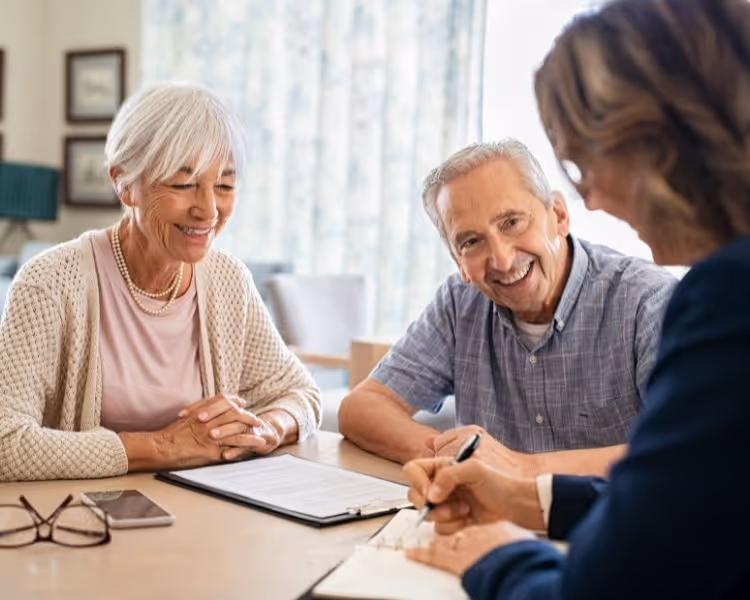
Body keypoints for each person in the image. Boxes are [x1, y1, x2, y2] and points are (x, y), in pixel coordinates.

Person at [403, 0, 750, 598]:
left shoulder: (725, 298)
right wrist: (528, 501)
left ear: (654, 140)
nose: (590, 197)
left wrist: (499, 556)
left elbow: (604, 587)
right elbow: (690, 498)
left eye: (582, 158)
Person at [0, 82, 321, 482]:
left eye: (223, 185)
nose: (208, 210)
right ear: (124, 182)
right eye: (183, 184)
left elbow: (301, 395)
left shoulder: (227, 280)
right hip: (81, 522)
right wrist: (164, 447)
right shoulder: (49, 283)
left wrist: (265, 428)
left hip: (205, 514)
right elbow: (6, 443)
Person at [338, 139, 675, 477]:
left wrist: (518, 468)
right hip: (489, 527)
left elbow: (686, 450)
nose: (501, 259)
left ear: (558, 215)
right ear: (459, 262)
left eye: (512, 222)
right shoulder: (460, 302)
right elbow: (361, 407)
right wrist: (455, 458)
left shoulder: (648, 301)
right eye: (471, 242)